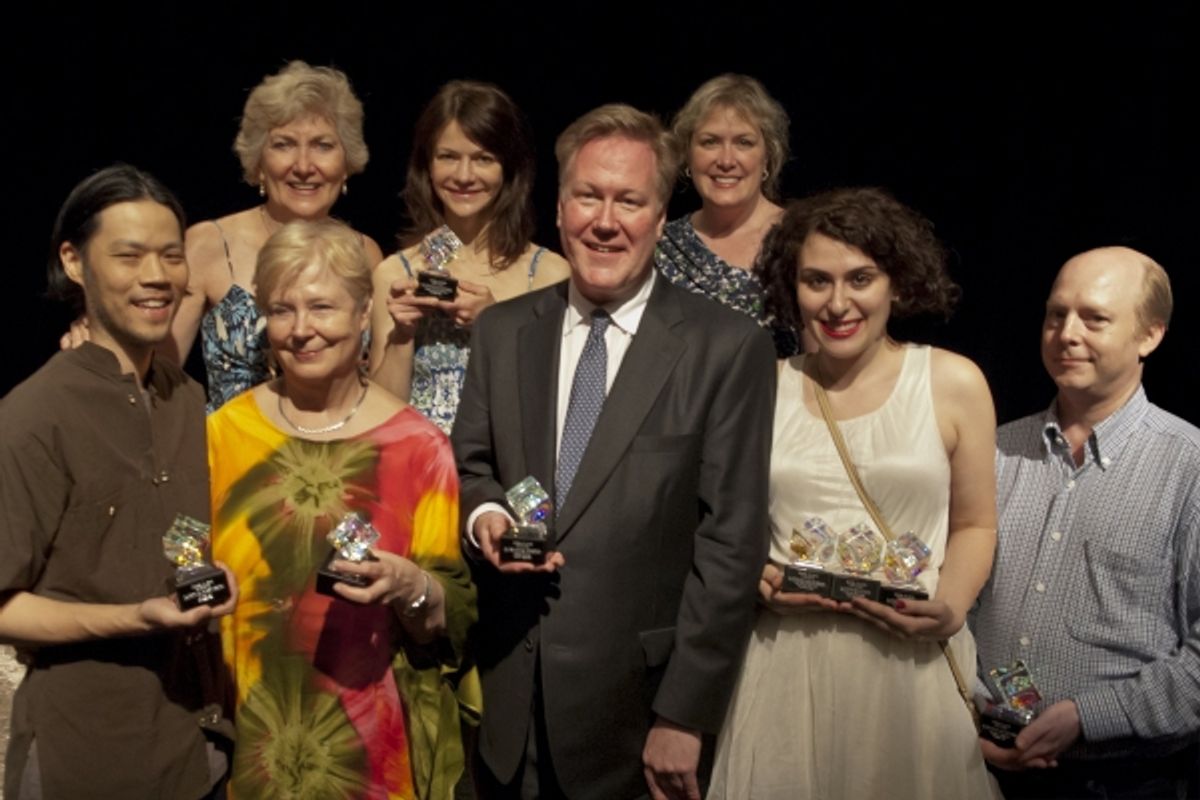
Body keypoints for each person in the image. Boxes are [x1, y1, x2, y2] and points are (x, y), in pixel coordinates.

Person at [453, 104, 775, 799]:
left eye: (629, 201)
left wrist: (684, 714)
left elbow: (731, 544)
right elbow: (472, 466)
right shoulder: (502, 332)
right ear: (559, 207)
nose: (605, 221)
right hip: (509, 709)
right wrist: (485, 518)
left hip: (638, 724)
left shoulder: (727, 348)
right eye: (587, 196)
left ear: (660, 218)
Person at [708, 188, 999, 798]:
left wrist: (950, 607)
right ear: (792, 288)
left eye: (860, 278)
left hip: (909, 669)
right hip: (786, 665)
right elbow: (722, 521)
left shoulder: (953, 381)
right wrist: (755, 577)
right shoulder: (763, 385)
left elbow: (976, 524)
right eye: (817, 280)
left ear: (897, 283)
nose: (838, 303)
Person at [207, 218, 477, 799]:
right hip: (244, 747)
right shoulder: (224, 435)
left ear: (363, 314)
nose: (301, 329)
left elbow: (448, 620)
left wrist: (409, 584)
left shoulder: (418, 447)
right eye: (281, 310)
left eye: (322, 307)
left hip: (370, 757)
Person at [0, 165, 236, 798]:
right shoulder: (35, 415)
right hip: (85, 756)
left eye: (171, 256)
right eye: (129, 256)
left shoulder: (187, 399)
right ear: (74, 263)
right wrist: (135, 617)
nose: (157, 276)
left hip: (197, 752)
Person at [972, 247, 1200, 799]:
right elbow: (959, 603)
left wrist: (1089, 715)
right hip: (980, 765)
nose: (1066, 334)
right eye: (1056, 314)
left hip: (1122, 783)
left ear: (1150, 336)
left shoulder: (1189, 466)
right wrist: (969, 705)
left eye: (1094, 318)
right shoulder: (994, 449)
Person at [60, 62, 384, 412]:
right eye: (284, 145)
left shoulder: (366, 252)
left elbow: (379, 388)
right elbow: (152, 376)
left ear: (346, 161)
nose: (304, 166)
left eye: (323, 145)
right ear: (258, 161)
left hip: (344, 442)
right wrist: (99, 334)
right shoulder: (207, 244)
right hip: (230, 444)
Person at [371, 80, 569, 434]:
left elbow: (554, 404)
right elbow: (382, 419)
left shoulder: (548, 274)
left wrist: (495, 326)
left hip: (509, 464)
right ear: (427, 165)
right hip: (423, 463)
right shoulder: (395, 272)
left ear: (509, 168)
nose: (464, 176)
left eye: (483, 159)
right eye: (448, 157)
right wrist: (402, 336)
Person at [654, 74, 799, 357]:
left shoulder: (801, 238)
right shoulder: (661, 246)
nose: (726, 160)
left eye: (744, 142)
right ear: (688, 154)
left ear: (767, 156)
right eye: (710, 142)